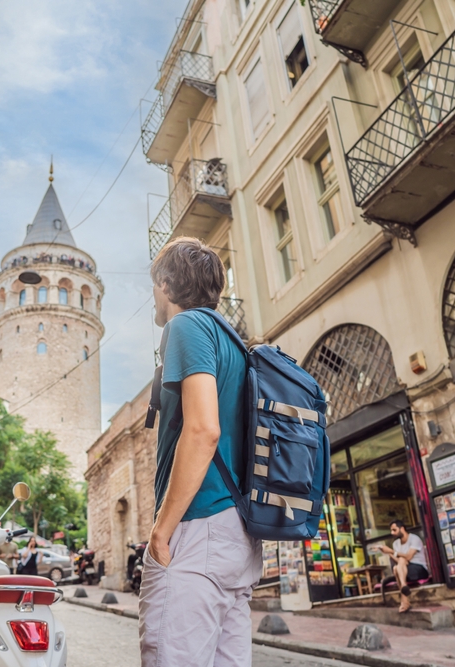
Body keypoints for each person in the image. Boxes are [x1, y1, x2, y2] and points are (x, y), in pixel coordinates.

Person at [139, 238, 262, 667]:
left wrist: (161, 529)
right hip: (237, 534)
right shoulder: (234, 343)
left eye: (154, 286)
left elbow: (204, 430)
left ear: (166, 284)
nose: (153, 297)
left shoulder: (186, 326)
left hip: (197, 528)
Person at [377, 520, 429, 613]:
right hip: (405, 570)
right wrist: (388, 552)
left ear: (402, 528)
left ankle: (404, 600)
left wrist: (392, 551)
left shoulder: (414, 539)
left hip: (419, 569)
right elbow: (399, 561)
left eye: (394, 530)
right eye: (391, 530)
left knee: (399, 565)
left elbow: (408, 557)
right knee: (396, 567)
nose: (392, 533)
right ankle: (404, 592)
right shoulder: (396, 543)